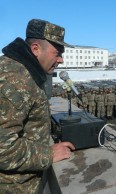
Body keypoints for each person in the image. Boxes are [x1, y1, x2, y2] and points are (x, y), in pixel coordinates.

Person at [0, 19, 75, 194]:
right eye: (57, 53)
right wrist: (48, 154)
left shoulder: (24, 71)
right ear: (35, 49)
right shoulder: (14, 79)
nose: (61, 60)